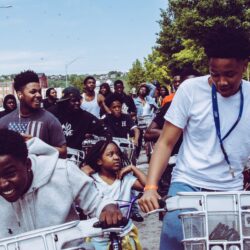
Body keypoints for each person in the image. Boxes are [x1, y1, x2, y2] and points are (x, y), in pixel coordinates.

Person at [139, 26, 250, 250]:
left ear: (244, 66)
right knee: (176, 241)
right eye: (214, 73)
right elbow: (165, 143)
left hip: (231, 192)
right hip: (187, 187)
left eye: (230, 74)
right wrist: (150, 186)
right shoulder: (190, 90)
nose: (222, 82)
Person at [0, 129, 123, 238]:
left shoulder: (63, 171)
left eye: (10, 173)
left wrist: (108, 208)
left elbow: (97, 201)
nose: (3, 184)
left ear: (27, 164)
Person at [83, 139, 146, 250]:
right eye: (110, 155)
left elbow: (148, 185)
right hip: (99, 236)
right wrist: (84, 172)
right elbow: (78, 186)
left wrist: (133, 168)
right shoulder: (93, 180)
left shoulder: (125, 179)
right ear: (99, 161)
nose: (116, 157)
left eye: (118, 154)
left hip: (124, 232)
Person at [0, 70, 67, 158]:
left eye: (39, 91)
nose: (38, 95)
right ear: (20, 95)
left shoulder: (50, 120)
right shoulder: (4, 122)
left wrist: (38, 146)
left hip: (42, 171)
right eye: (33, 92)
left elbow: (63, 153)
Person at [49, 86, 108, 151]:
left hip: (76, 155)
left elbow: (105, 132)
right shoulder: (53, 113)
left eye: (78, 100)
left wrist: (93, 138)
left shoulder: (86, 117)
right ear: (65, 102)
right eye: (73, 101)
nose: (77, 103)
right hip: (56, 153)